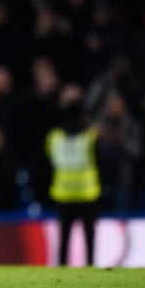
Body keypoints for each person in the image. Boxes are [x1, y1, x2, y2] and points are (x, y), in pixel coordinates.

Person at [45, 83, 101, 266]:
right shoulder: (90, 136)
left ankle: (62, 267)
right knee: (89, 236)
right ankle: (90, 266)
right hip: (87, 193)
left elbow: (49, 161)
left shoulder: (54, 137)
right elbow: (101, 160)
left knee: (64, 236)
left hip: (64, 193)